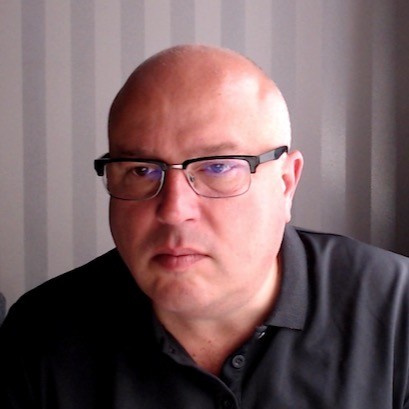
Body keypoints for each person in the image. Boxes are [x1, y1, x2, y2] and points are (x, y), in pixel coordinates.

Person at [0, 44, 409, 409]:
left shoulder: (397, 310)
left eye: (218, 167)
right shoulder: (39, 336)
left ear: (286, 183)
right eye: (141, 169)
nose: (174, 210)